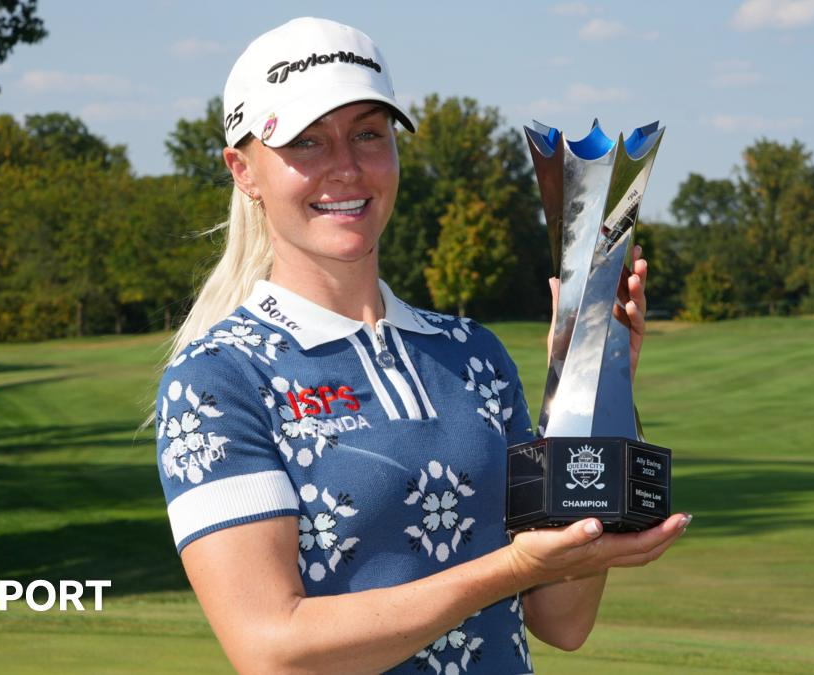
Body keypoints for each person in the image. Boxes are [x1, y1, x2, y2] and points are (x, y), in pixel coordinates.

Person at [154, 17, 690, 674]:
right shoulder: (217, 379)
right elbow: (272, 647)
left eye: (368, 134)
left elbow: (562, 619)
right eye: (307, 142)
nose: (346, 168)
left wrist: (593, 386)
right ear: (245, 171)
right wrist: (506, 569)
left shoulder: (474, 356)